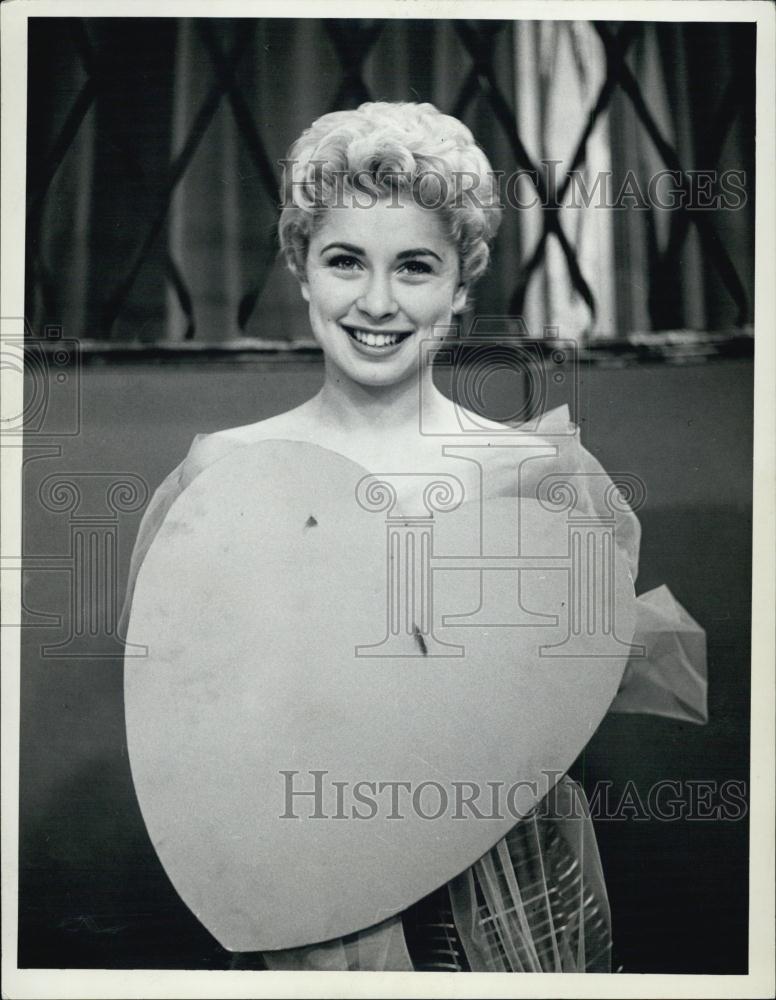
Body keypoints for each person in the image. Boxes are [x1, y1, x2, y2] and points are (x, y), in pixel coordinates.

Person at [120, 102, 707, 973]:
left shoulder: (530, 476)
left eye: (417, 267)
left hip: (508, 889)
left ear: (462, 286)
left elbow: (554, 706)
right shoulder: (224, 474)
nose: (379, 302)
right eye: (346, 260)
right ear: (300, 268)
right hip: (304, 888)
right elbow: (193, 713)